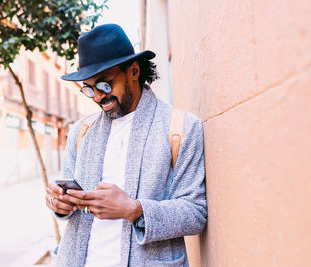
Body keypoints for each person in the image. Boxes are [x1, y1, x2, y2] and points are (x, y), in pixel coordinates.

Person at [45, 23, 207, 267]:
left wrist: (135, 209)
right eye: (89, 89)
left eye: (105, 84)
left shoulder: (181, 127)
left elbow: (195, 213)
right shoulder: (81, 132)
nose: (98, 96)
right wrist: (60, 204)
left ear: (133, 71)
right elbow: (70, 203)